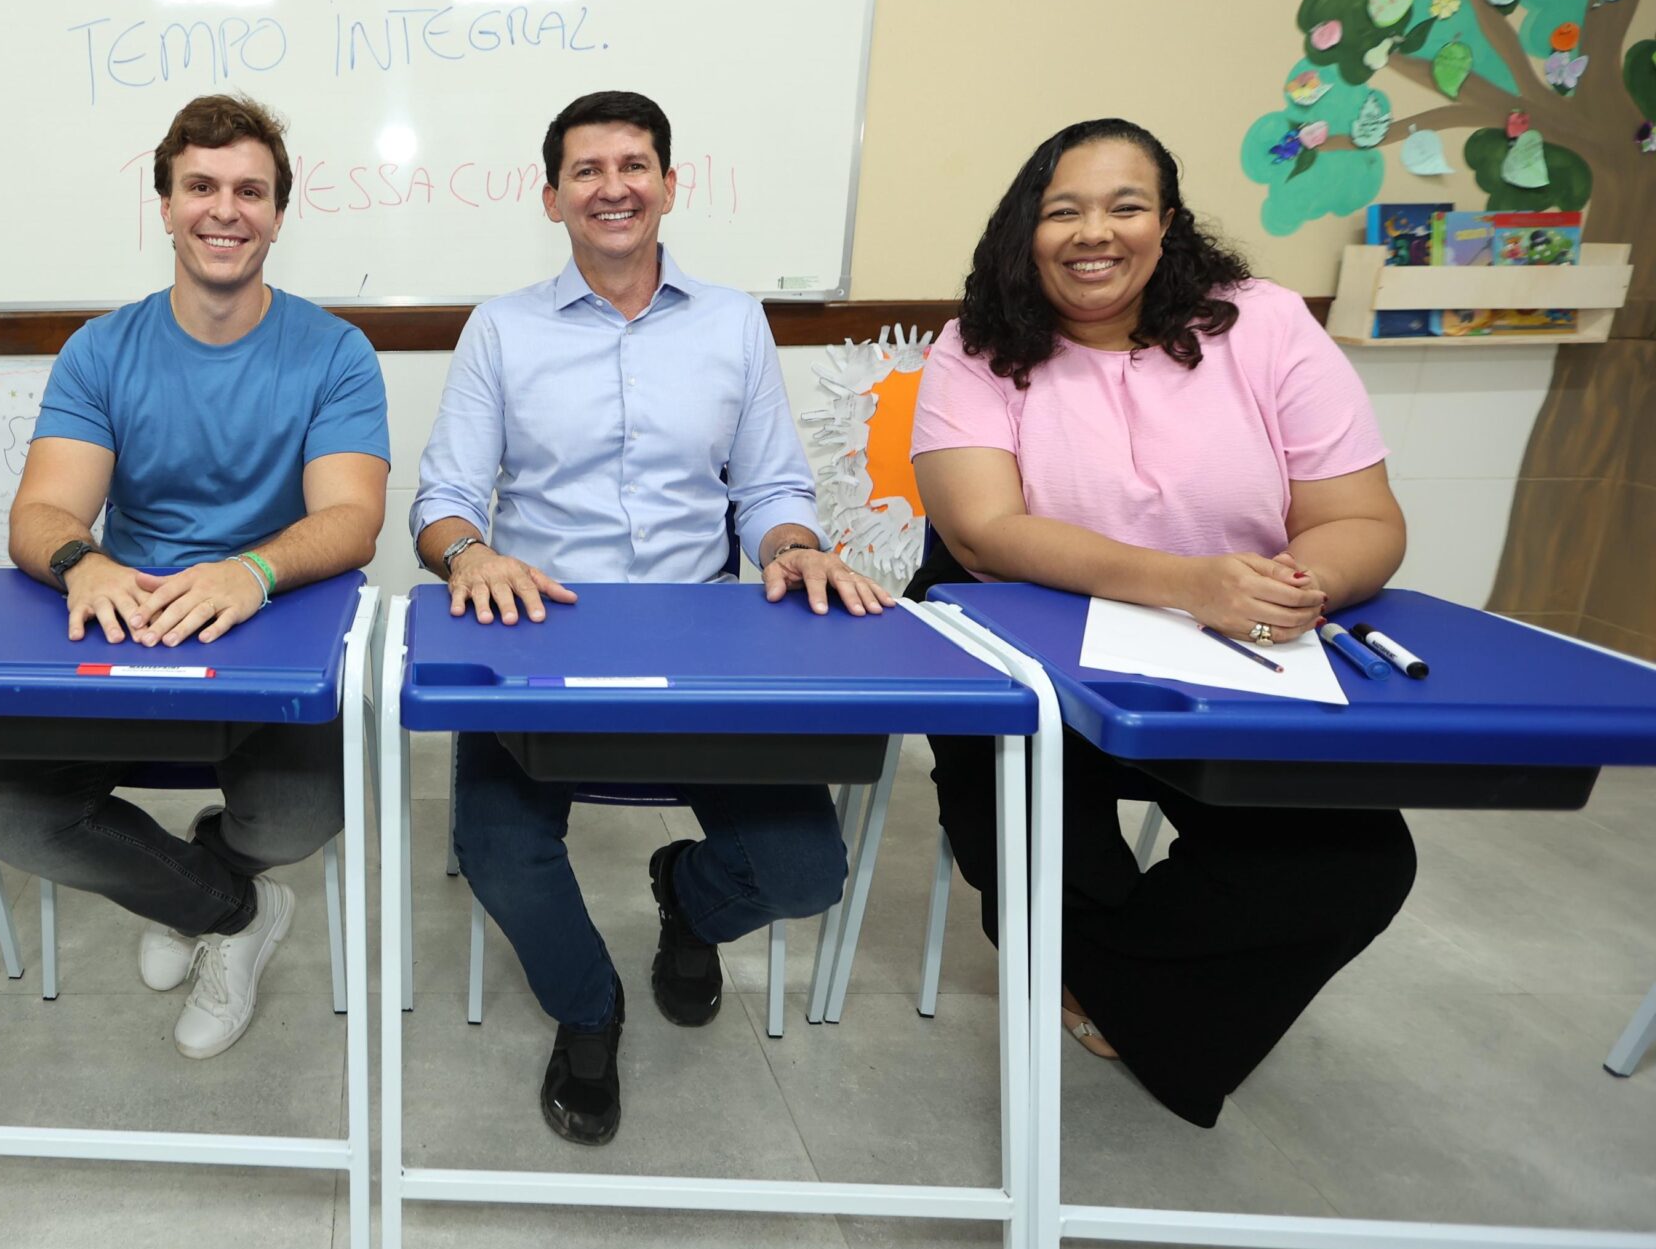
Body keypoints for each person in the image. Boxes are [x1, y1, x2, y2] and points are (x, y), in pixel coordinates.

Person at [909, 116, 1416, 1128]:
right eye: (1063, 209)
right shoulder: (976, 344)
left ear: (1167, 222)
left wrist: (1290, 589)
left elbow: (1363, 519)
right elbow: (984, 533)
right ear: (1026, 227)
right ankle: (1127, 991)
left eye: (1124, 205)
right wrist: (1188, 583)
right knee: (1043, 859)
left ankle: (1112, 988)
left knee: (1357, 864)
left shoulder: (1264, 323)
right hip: (1021, 636)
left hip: (1236, 642)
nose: (1093, 232)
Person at [410, 89, 890, 1146]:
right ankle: (588, 1005)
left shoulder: (731, 321)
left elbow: (769, 490)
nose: (612, 185)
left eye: (634, 164)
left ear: (669, 185)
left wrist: (794, 546)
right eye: (587, 169)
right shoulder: (503, 327)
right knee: (495, 846)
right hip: (540, 634)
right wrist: (472, 552)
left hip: (698, 639)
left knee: (806, 869)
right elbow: (440, 499)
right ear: (551, 198)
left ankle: (687, 893)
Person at [0, 93, 389, 1060]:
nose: (224, 210)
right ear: (164, 204)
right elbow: (40, 515)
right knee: (5, 810)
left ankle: (194, 884)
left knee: (302, 814)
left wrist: (251, 570)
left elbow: (352, 519)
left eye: (250, 190)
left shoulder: (334, 353)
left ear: (280, 212)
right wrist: (85, 564)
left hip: (268, 630)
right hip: (128, 630)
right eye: (200, 186)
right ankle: (230, 912)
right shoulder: (101, 349)